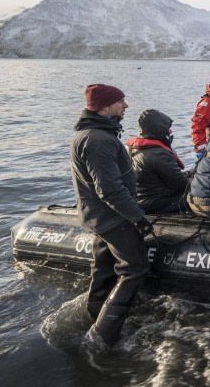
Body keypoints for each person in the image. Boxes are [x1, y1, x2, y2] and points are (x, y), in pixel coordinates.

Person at [69, 84, 152, 347]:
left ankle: (95, 317)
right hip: (113, 218)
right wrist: (137, 217)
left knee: (103, 269)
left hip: (96, 216)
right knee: (135, 268)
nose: (125, 106)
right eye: (120, 101)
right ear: (104, 106)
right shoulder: (100, 140)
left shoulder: (88, 135)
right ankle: (104, 336)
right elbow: (109, 189)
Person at [127, 109, 189, 214]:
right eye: (167, 128)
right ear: (159, 130)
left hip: (140, 200)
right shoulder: (159, 154)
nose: (170, 131)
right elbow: (181, 184)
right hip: (157, 202)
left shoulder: (133, 149)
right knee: (202, 194)